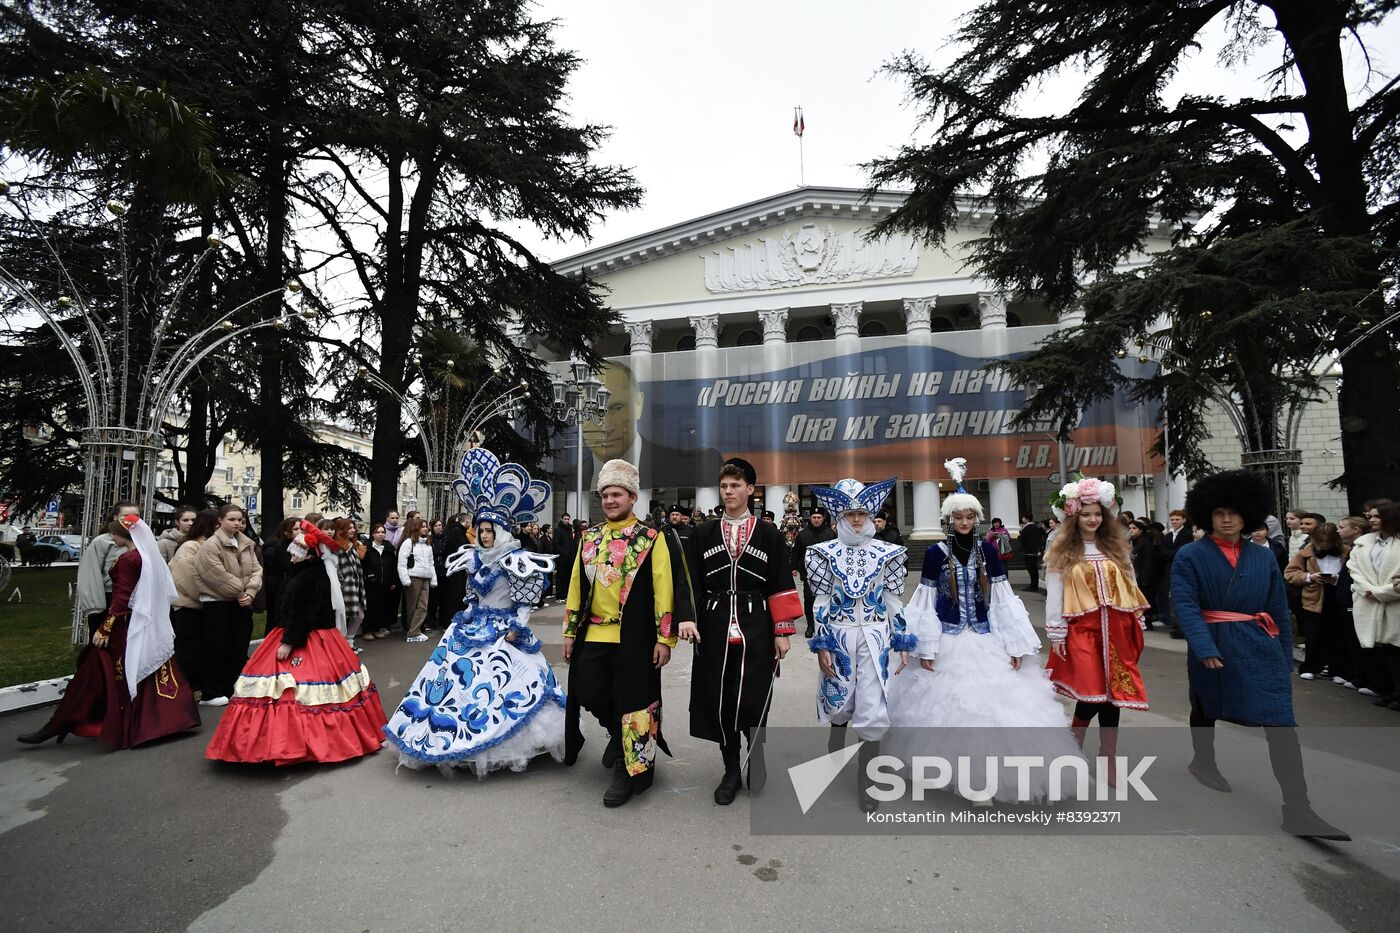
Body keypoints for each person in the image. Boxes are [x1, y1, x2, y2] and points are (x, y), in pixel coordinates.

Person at [1172, 470, 1348, 841]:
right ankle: (1203, 761)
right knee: (1205, 705)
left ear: (1248, 514)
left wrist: (1284, 655)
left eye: (1234, 512)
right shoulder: (1190, 554)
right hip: (1214, 640)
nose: (1227, 518)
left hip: (1259, 642)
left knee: (1281, 722)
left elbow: (1278, 607)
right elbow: (1185, 603)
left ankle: (1298, 809)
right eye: (1219, 511)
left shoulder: (1263, 557)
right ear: (1207, 514)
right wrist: (1203, 646)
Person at [890, 457, 1078, 804]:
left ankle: (997, 777)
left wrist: (1014, 645)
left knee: (996, 708)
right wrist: (926, 648)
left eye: (969, 517)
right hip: (948, 638)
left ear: (976, 519)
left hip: (983, 637)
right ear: (948, 520)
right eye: (958, 517)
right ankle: (966, 780)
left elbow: (1003, 600)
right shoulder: (935, 553)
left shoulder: (989, 550)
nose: (963, 522)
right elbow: (926, 600)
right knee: (951, 712)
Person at [384, 450, 565, 776]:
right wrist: (467, 613)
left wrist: (518, 628)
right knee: (451, 684)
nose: (484, 535)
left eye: (489, 531)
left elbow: (524, 603)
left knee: (509, 688)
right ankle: (447, 737)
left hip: (505, 630)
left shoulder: (515, 558)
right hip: (473, 626)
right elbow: (472, 597)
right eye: (481, 530)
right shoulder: (474, 558)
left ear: (502, 532)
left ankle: (507, 742)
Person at [205, 520, 388, 766]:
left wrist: (289, 643)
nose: (291, 556)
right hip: (301, 633)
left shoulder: (310, 577)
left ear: (309, 554)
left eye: (297, 552)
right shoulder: (301, 573)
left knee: (300, 692)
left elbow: (304, 614)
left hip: (308, 637)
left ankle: (299, 744)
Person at [18, 515, 200, 747]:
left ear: (123, 535)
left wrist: (104, 629)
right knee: (133, 669)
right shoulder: (148, 557)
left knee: (95, 672)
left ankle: (64, 722)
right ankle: (168, 718)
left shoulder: (128, 559)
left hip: (124, 627)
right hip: (144, 624)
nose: (111, 536)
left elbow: (122, 598)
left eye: (114, 532)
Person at [681, 458, 801, 805]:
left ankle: (756, 756)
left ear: (751, 489)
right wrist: (688, 617)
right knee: (721, 700)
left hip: (757, 626)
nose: (728, 491)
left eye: (735, 485)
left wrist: (782, 631)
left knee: (754, 697)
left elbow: (780, 582)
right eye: (724, 486)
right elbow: (689, 583)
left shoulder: (770, 534)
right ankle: (731, 768)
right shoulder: (703, 533)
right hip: (714, 625)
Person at [562, 458, 680, 808]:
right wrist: (569, 632)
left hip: (635, 638)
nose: (610, 500)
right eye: (605, 495)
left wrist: (664, 637)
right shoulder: (590, 538)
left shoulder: (650, 538)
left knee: (635, 705)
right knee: (588, 690)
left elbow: (664, 587)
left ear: (632, 498)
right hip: (594, 635)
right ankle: (617, 734)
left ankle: (629, 773)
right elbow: (575, 587)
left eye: (617, 494)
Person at [805, 474, 914, 813]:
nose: (856, 518)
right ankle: (836, 742)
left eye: (861, 513)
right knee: (840, 700)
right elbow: (820, 601)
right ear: (839, 516)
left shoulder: (889, 553)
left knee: (873, 706)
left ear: (870, 514)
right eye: (849, 513)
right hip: (838, 635)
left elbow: (894, 600)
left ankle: (866, 783)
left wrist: (903, 639)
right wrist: (821, 642)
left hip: (876, 637)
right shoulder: (821, 553)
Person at [1044, 475, 1149, 787]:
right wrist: (1057, 630)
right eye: (1085, 514)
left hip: (1117, 629)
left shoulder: (1115, 547)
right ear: (1074, 516)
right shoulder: (1062, 550)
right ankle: (1072, 752)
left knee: (1113, 697)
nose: (1092, 519)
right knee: (1091, 695)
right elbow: (1054, 591)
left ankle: (1108, 757)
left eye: (1097, 514)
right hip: (1082, 631)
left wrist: (1136, 617)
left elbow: (1130, 583)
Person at [195, 505, 263, 707]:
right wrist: (241, 592)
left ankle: (232, 687)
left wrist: (250, 593)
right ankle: (211, 692)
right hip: (218, 603)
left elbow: (256, 570)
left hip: (241, 603)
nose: (236, 523)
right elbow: (215, 575)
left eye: (239, 520)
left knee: (237, 647)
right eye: (231, 519)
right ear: (220, 521)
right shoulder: (211, 545)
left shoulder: (245, 543)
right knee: (216, 648)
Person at [1348, 499, 1400, 711]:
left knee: (1397, 650)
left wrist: (1382, 592)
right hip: (1371, 602)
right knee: (1383, 650)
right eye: (1369, 516)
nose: (1371, 519)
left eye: (1376, 516)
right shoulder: (1364, 543)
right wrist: (1366, 589)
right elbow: (1354, 569)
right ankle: (1390, 690)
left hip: (1393, 603)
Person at [1285, 522, 1351, 686]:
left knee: (1338, 635)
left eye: (1328, 542)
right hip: (1313, 597)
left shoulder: (1346, 552)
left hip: (1337, 596)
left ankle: (1339, 669)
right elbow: (1290, 572)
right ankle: (1311, 667)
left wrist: (1337, 579)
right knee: (1314, 634)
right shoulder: (1305, 553)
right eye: (1321, 541)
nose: (1324, 545)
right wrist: (1309, 577)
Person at [169, 509, 219, 700]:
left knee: (200, 650)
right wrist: (207, 597)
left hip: (205, 605)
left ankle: (196, 687)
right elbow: (187, 579)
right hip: (189, 606)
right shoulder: (190, 547)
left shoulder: (208, 545)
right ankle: (184, 691)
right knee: (187, 652)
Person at [75, 502, 139, 642]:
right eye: (126, 516)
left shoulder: (143, 541)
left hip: (136, 599)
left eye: (136, 516)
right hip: (108, 598)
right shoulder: (103, 542)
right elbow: (90, 574)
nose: (131, 520)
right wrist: (95, 607)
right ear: (115, 518)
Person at [792, 506, 837, 639]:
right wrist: (793, 567)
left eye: (819, 518)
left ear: (823, 519)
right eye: (814, 517)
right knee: (809, 599)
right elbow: (796, 552)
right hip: (808, 574)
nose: (816, 520)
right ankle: (811, 625)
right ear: (810, 518)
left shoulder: (831, 534)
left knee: (826, 599)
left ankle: (825, 624)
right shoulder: (803, 534)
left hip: (827, 574)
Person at [397, 517, 437, 643]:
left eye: (426, 526)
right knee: (412, 606)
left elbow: (431, 563)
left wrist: (433, 578)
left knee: (423, 606)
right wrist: (405, 579)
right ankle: (412, 631)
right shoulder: (409, 543)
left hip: (425, 577)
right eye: (422, 526)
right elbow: (402, 562)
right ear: (416, 528)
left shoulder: (427, 545)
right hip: (413, 577)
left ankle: (414, 631)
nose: (425, 528)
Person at [1157, 509, 1194, 639]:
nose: (1174, 522)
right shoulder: (1168, 536)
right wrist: (1170, 553)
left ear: (1183, 520)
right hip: (1169, 568)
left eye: (1177, 519)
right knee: (1169, 595)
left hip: (1182, 568)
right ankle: (1174, 624)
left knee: (1179, 595)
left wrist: (1170, 553)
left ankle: (1181, 627)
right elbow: (1162, 553)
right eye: (1172, 519)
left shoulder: (1187, 534)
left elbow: (1181, 551)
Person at [360, 523, 399, 641]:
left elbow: (393, 565)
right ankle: (367, 630)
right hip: (371, 582)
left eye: (383, 532)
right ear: (373, 534)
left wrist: (393, 580)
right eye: (378, 532)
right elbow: (363, 565)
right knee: (370, 607)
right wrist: (367, 576)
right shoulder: (366, 547)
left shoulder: (388, 548)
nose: (381, 534)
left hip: (385, 582)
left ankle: (377, 629)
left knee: (381, 606)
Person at [333, 518, 367, 647]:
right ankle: (342, 644)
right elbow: (337, 567)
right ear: (341, 530)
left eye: (354, 528)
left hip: (355, 586)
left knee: (359, 614)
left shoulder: (353, 545)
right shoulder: (337, 546)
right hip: (344, 586)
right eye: (349, 528)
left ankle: (349, 641)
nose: (353, 530)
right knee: (342, 616)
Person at [262, 517, 299, 631]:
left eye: (301, 529)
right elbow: (289, 568)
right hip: (277, 588)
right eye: (296, 529)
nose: (300, 532)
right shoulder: (278, 546)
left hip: (288, 586)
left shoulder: (293, 544)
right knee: (275, 621)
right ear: (286, 531)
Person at [1129, 519, 1161, 628]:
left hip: (1143, 576)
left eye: (1134, 528)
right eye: (1130, 528)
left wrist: (1145, 579)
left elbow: (1148, 562)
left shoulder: (1145, 543)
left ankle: (1147, 622)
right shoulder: (1133, 542)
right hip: (1135, 574)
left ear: (1141, 530)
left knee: (1145, 599)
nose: (1131, 531)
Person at [1017, 513, 1046, 592]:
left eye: (1023, 518)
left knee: (1031, 569)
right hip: (1035, 551)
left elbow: (1024, 540)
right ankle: (1034, 585)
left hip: (1028, 551)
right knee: (1034, 570)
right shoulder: (1035, 527)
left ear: (1027, 519)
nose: (1022, 519)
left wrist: (1020, 536)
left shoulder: (1027, 528)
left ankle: (1033, 586)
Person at [553, 512, 577, 602]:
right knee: (561, 577)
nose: (567, 521)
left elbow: (571, 543)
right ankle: (559, 596)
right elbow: (556, 543)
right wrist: (564, 552)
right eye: (565, 519)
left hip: (569, 558)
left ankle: (565, 595)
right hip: (562, 558)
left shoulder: (569, 530)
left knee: (567, 577)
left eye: (568, 519)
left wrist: (572, 554)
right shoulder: (559, 530)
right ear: (562, 519)